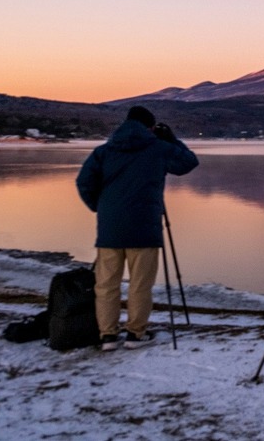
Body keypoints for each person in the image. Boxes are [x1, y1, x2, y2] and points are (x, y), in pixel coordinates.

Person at [76, 106, 198, 350]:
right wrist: (171, 139)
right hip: (144, 228)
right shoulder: (158, 148)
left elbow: (84, 182)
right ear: (150, 128)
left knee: (106, 284)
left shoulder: (105, 150)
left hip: (110, 228)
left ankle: (108, 335)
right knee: (140, 284)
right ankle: (135, 334)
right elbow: (188, 162)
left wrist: (100, 208)